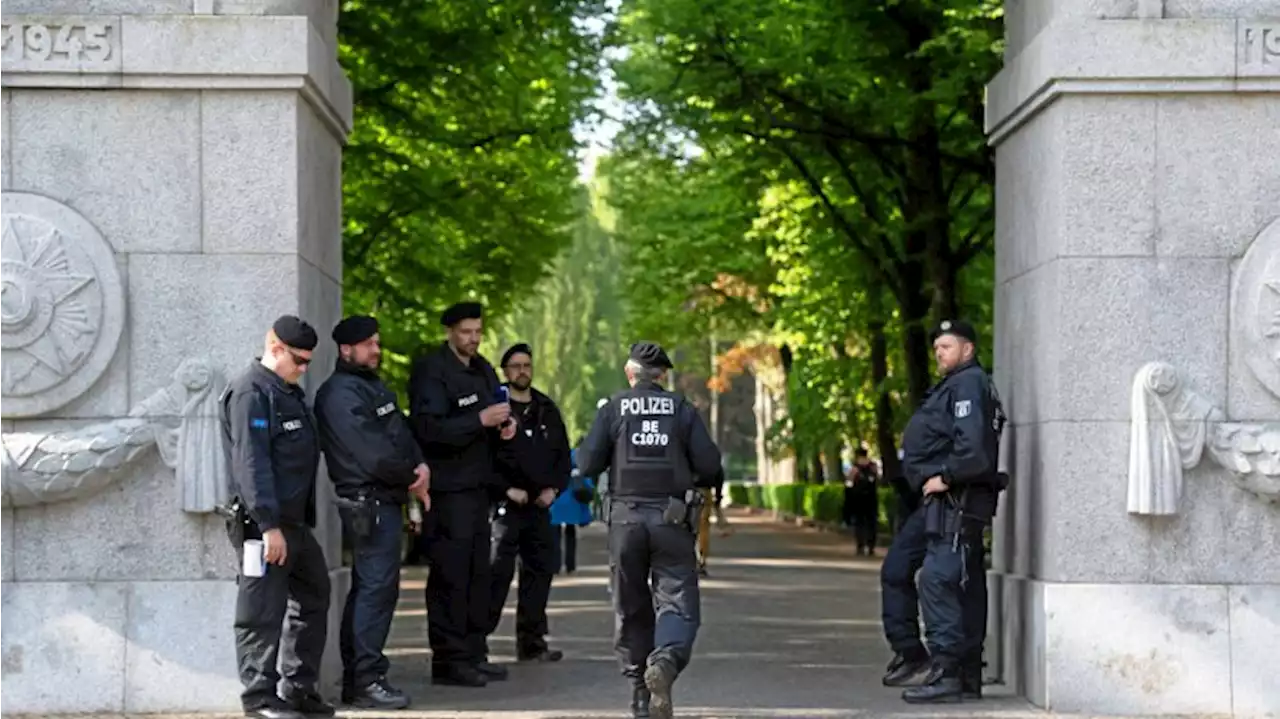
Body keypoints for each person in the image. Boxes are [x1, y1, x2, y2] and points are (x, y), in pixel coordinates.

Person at [577, 342, 723, 719]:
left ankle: (640, 693)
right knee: (677, 600)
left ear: (630, 374)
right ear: (662, 376)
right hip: (672, 521)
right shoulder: (681, 409)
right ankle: (666, 661)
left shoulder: (612, 409)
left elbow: (588, 463)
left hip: (624, 521)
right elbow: (710, 466)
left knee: (630, 605)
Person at [882, 319, 1005, 704]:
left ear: (967, 349)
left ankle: (951, 670)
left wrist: (947, 477)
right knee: (899, 569)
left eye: (946, 347)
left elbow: (976, 451)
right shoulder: (953, 385)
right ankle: (915, 656)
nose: (938, 353)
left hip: (956, 500)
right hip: (935, 503)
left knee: (940, 580)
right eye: (936, 348)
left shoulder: (969, 383)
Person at [314, 315, 430, 709]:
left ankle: (365, 676)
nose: (377, 350)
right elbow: (373, 454)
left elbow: (400, 433)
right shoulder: (339, 395)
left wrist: (420, 464)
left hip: (386, 500)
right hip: (368, 503)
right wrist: (412, 475)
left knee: (378, 590)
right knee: (374, 591)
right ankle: (365, 679)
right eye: (369, 345)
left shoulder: (372, 387)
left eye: (377, 343)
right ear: (347, 349)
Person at [221, 316, 332, 719]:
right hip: (263, 526)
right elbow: (251, 465)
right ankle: (259, 698)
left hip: (294, 524)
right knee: (261, 611)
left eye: (307, 362)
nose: (303, 369)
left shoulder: (287, 392)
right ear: (276, 347)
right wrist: (268, 526)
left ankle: (299, 689)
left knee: (314, 595)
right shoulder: (252, 392)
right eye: (299, 360)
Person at [408, 301, 515, 688]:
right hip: (448, 490)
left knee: (476, 575)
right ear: (451, 331)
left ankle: (474, 652)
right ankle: (449, 660)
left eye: (478, 331)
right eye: (466, 332)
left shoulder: (483, 369)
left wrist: (504, 425)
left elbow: (495, 409)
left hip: (478, 488)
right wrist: (478, 421)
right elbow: (427, 429)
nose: (473, 339)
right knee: (450, 576)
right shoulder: (432, 372)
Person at [486, 343, 571, 663]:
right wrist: (506, 489)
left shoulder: (546, 408)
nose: (523, 371)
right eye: (516, 366)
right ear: (505, 371)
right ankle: (478, 641)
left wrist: (554, 489)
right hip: (506, 506)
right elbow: (483, 459)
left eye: (527, 365)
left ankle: (532, 642)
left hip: (539, 506)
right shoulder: (497, 408)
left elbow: (563, 456)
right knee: (496, 573)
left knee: (540, 573)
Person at [552, 443, 595, 575]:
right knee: (570, 534)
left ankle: (555, 565)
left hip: (556, 499)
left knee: (555, 535)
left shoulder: (554, 456)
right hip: (572, 500)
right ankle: (570, 565)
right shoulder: (577, 457)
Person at [846, 449, 880, 556]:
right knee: (872, 522)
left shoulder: (855, 468)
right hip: (871, 498)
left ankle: (860, 545)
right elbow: (878, 479)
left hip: (858, 499)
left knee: (859, 522)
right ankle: (871, 546)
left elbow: (849, 482)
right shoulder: (873, 467)